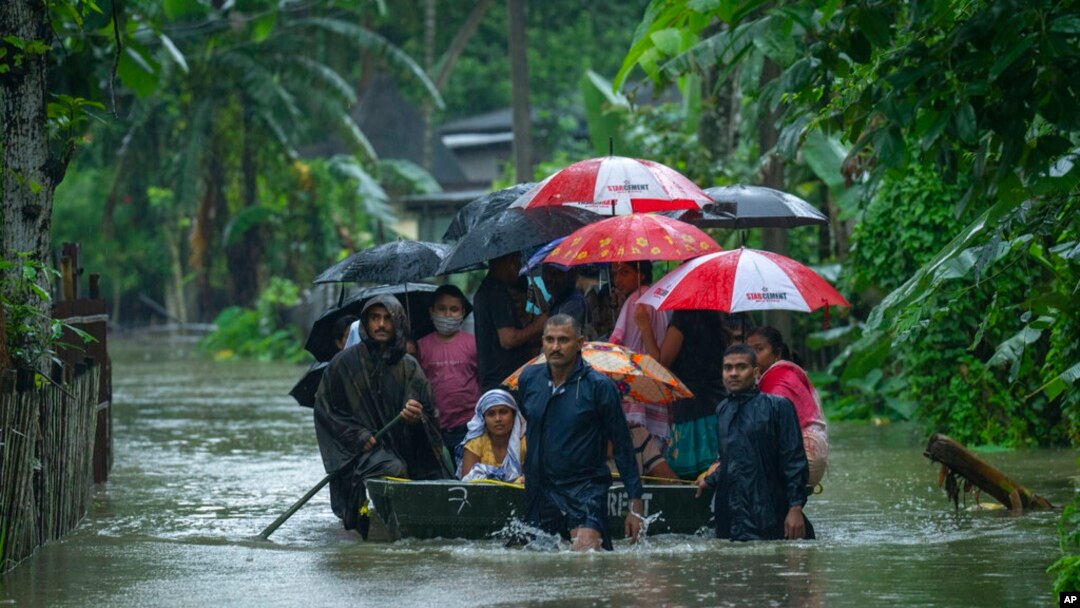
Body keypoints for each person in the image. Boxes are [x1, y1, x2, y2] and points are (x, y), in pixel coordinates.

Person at [313, 295, 450, 534]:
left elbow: (429, 414)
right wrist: (358, 436)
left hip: (405, 447)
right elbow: (326, 410)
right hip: (361, 453)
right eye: (375, 318)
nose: (381, 324)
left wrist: (416, 417)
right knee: (394, 468)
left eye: (388, 318)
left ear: (398, 323)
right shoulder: (343, 363)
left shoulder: (409, 366)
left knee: (443, 472)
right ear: (365, 322)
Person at [517, 314, 645, 551]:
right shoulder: (528, 379)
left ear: (580, 343)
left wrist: (635, 502)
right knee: (537, 567)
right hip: (540, 488)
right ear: (542, 341)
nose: (555, 347)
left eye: (563, 340)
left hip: (585, 488)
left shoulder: (599, 387)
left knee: (586, 560)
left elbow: (622, 443)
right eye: (550, 340)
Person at [696, 344, 813, 541]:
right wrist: (710, 480)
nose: (733, 373)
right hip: (731, 518)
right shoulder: (722, 410)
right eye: (728, 368)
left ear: (756, 372)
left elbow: (794, 460)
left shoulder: (778, 407)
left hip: (770, 514)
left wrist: (795, 508)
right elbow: (730, 459)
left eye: (741, 367)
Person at [639, 309, 729, 480]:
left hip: (692, 408)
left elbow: (661, 362)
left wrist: (644, 326)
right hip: (717, 404)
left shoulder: (684, 316)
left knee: (691, 480)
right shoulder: (715, 317)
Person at [747, 326, 829, 486]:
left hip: (803, 457)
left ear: (777, 353)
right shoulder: (781, 374)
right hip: (809, 454)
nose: (752, 357)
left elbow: (767, 431)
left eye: (759, 349)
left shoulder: (778, 382)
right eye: (748, 351)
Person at [417, 285, 481, 460]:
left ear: (462, 313)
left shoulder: (473, 344)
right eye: (442, 309)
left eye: (454, 310)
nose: (447, 315)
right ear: (431, 312)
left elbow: (481, 380)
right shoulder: (421, 347)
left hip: (470, 425)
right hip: (435, 426)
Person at [474, 252, 548, 391]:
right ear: (508, 261)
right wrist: (538, 325)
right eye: (517, 260)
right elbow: (508, 339)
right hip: (504, 380)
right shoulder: (496, 291)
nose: (520, 265)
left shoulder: (487, 289)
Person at [457, 389, 526, 483]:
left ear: (513, 416)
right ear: (483, 419)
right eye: (491, 414)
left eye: (503, 412)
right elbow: (468, 485)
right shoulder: (475, 444)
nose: (498, 419)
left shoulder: (525, 444)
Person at [541, 264, 588, 331]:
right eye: (545, 272)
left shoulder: (575, 302)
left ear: (572, 275)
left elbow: (558, 333)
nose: (549, 278)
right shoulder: (556, 299)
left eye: (555, 273)